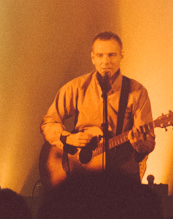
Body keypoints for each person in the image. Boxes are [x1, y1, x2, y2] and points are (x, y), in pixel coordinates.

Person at [40, 32, 155, 184]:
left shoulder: (137, 91)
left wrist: (141, 146)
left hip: (122, 177)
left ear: (122, 55)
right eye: (100, 55)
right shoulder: (77, 87)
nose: (105, 61)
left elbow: (148, 140)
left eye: (112, 55)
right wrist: (69, 138)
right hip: (82, 177)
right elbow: (48, 123)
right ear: (93, 58)